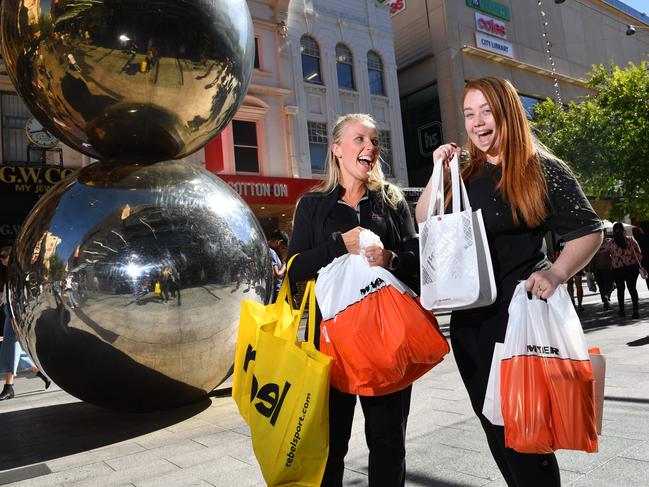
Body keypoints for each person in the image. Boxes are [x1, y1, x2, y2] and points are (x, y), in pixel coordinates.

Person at [415, 77, 602, 487]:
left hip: (521, 325)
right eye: (469, 114)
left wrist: (556, 272)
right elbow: (426, 220)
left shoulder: (543, 170)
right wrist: (437, 171)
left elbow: (589, 230)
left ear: (508, 113)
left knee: (528, 441)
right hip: (472, 330)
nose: (478, 123)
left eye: (486, 111)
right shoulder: (464, 174)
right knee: (497, 436)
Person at [287, 113, 419, 487]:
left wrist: (392, 258)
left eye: (374, 141)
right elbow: (295, 266)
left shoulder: (391, 201)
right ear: (337, 149)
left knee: (388, 442)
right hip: (330, 346)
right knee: (330, 446)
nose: (370, 147)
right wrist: (338, 245)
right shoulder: (313, 205)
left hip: (384, 342)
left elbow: (417, 258)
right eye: (359, 139)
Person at [0, 248, 51, 400]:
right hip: (9, 311)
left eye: (4, 256)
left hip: (16, 313)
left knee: (11, 346)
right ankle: (41, 373)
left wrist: (21, 314)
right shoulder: (10, 273)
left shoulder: (18, 273)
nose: (1, 259)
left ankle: (9, 387)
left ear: (11, 257)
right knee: (15, 350)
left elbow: (24, 294)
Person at [602, 222, 642, 318]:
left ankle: (622, 311)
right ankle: (635, 311)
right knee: (632, 288)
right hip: (632, 268)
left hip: (617, 269)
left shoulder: (611, 243)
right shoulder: (630, 240)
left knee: (620, 289)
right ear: (623, 230)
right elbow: (639, 253)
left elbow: (600, 250)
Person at [589, 240, 614, 310]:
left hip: (602, 268)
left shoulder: (598, 243)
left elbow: (591, 257)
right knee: (606, 285)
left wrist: (590, 268)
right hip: (603, 268)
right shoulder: (607, 243)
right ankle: (606, 297)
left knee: (603, 285)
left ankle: (605, 300)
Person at [268, 229, 288, 302]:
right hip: (275, 294)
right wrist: (284, 264)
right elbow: (277, 275)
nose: (282, 250)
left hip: (272, 293)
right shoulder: (272, 252)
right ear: (279, 242)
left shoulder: (269, 251)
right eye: (283, 248)